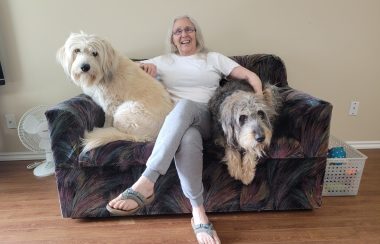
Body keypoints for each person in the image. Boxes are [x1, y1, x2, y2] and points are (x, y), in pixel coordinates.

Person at [106, 15, 263, 244]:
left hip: (208, 118)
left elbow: (249, 75)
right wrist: (142, 67)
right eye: (178, 31)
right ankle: (199, 214)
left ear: (196, 34)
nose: (184, 34)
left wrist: (259, 99)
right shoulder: (164, 61)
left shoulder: (213, 58)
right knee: (188, 138)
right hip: (178, 124)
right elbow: (124, 71)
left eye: (188, 29)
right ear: (172, 38)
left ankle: (147, 181)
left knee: (185, 105)